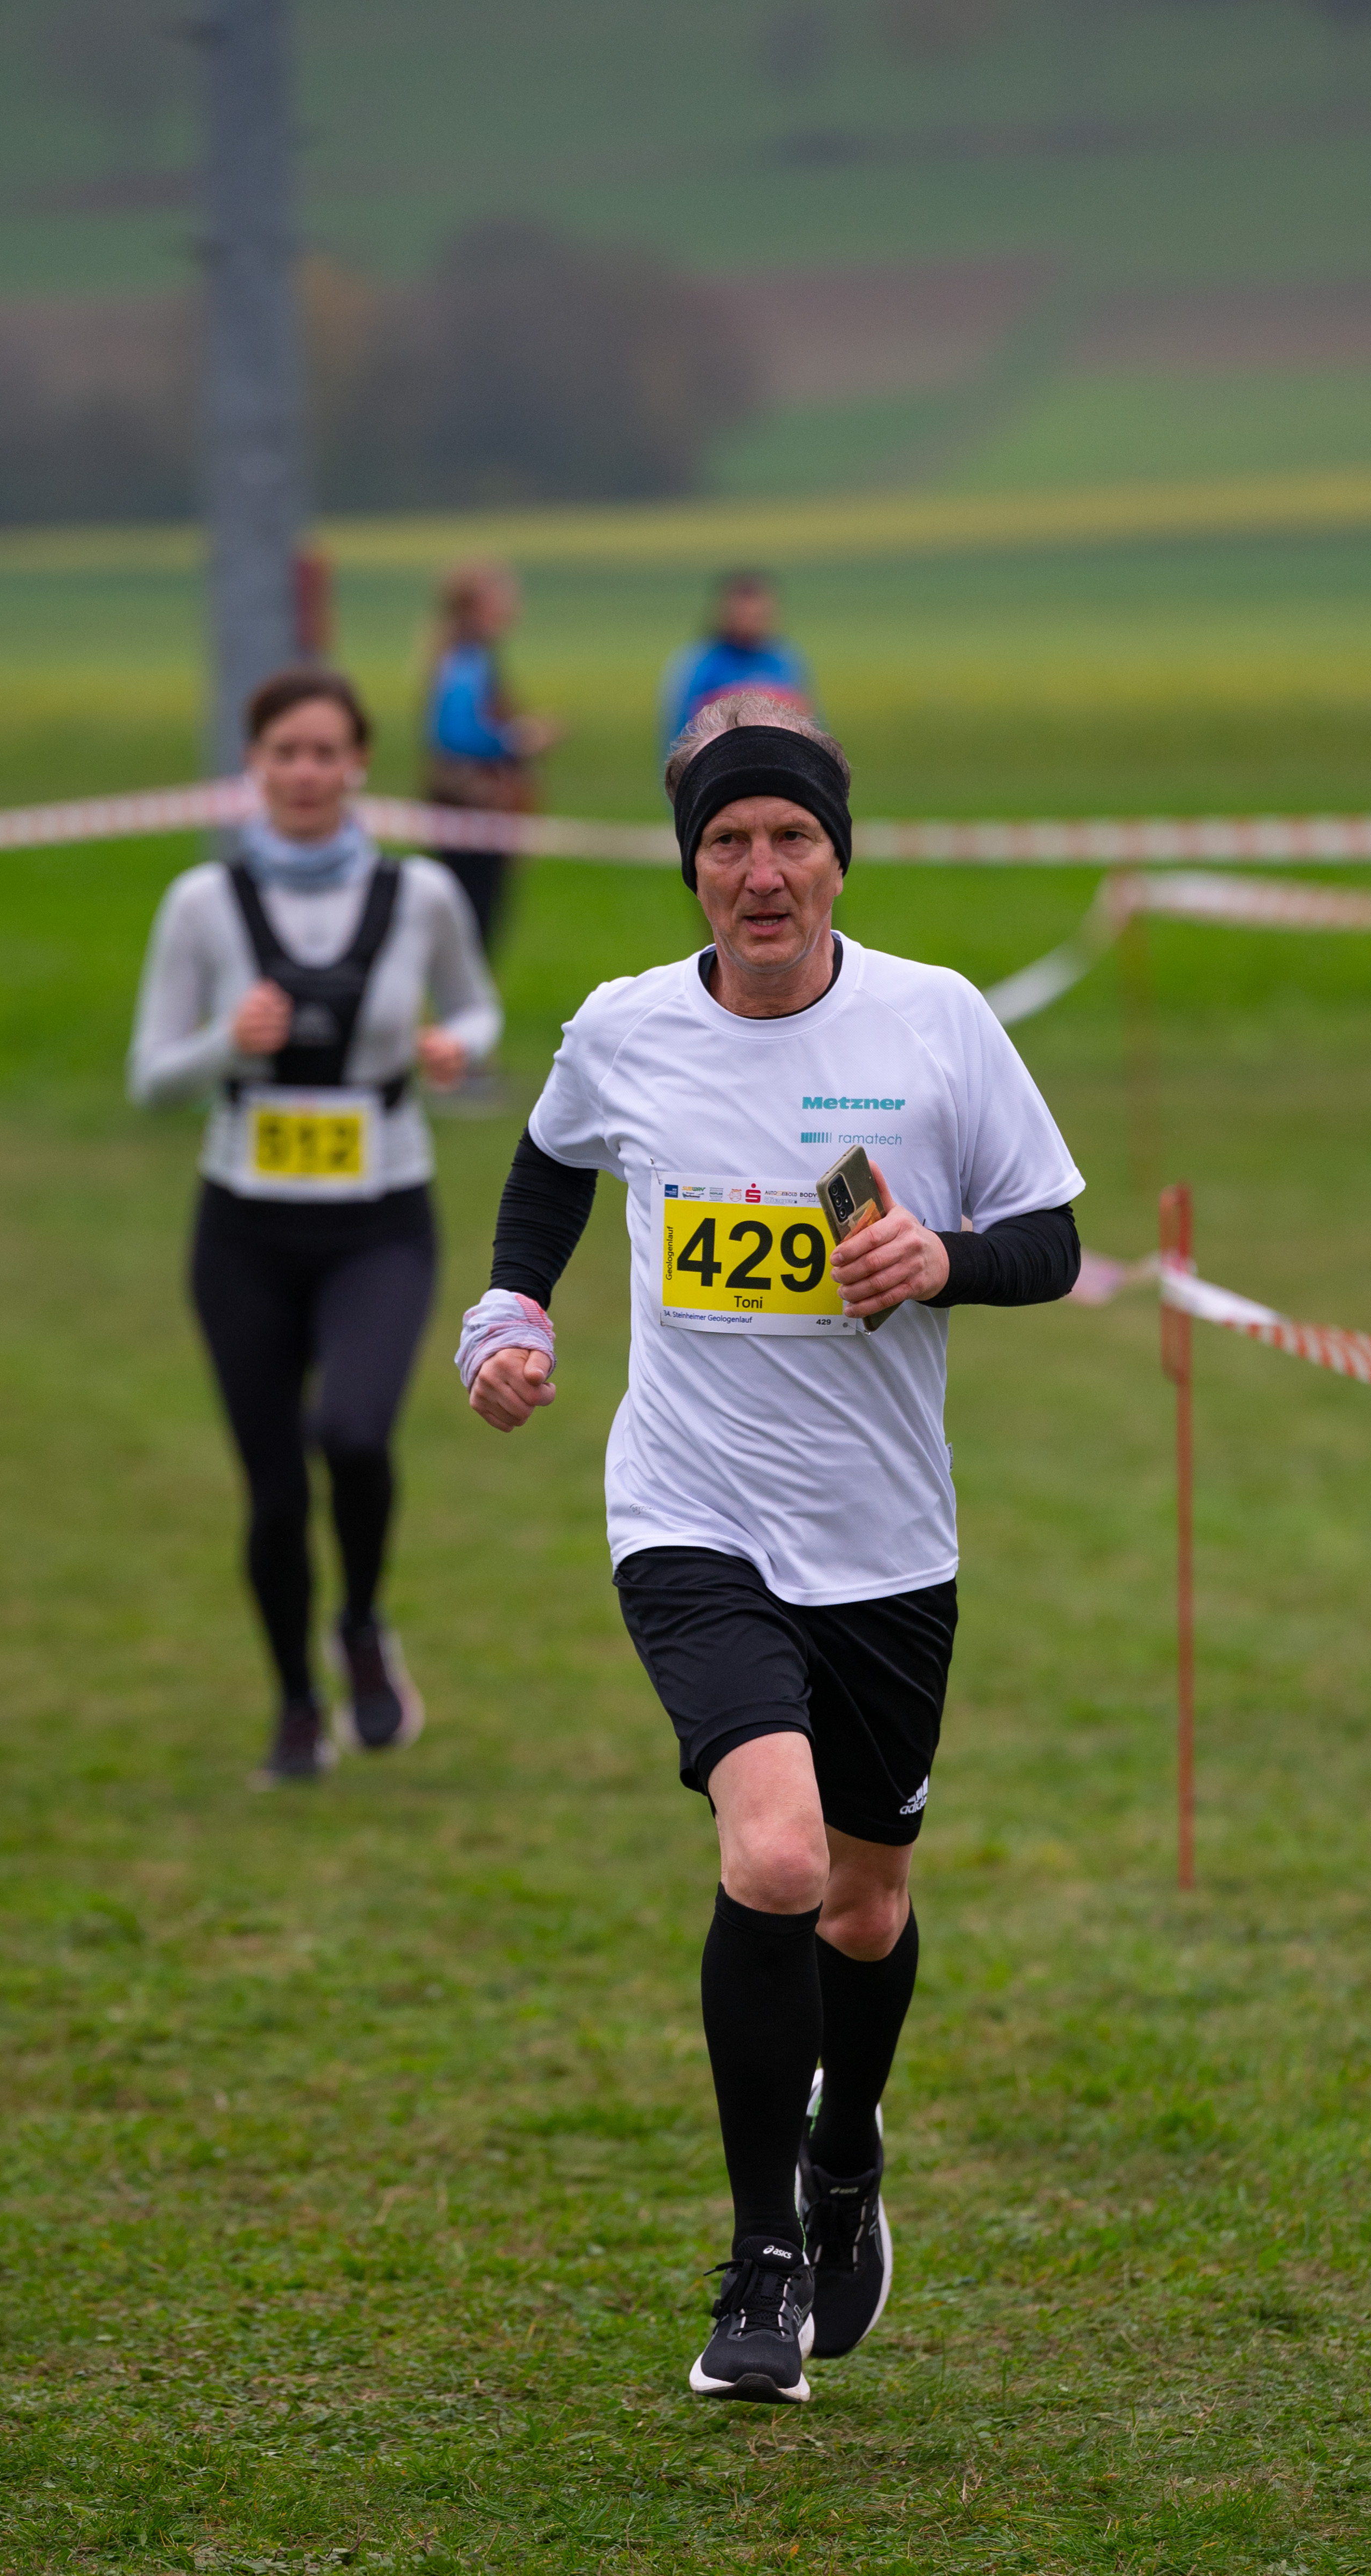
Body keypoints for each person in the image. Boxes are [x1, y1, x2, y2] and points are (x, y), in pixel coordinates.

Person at [457, 694, 1081, 2403]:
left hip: (882, 1541)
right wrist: (507, 1309)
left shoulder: (933, 1022)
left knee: (865, 1908)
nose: (758, 871)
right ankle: (759, 2264)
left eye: (788, 838)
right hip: (688, 1513)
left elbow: (1048, 1235)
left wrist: (940, 1260)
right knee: (779, 1856)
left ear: (833, 859)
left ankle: (844, 2147)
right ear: (690, 869)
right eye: (726, 841)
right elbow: (548, 1164)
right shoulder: (623, 1028)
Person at [129, 663, 501, 1787]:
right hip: (242, 1230)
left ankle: (362, 1622)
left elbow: (477, 1004)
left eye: (325, 752)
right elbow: (150, 1079)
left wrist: (456, 1046)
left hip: (379, 1218)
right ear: (252, 766)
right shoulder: (203, 904)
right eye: (283, 752)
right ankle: (296, 1702)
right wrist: (224, 1044)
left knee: (352, 1432)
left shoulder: (418, 893)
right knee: (274, 1490)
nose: (304, 772)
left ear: (358, 765)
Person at [422, 561, 560, 957]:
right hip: (474, 809)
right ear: (478, 603)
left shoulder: (461, 654)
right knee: (474, 928)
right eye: (503, 593)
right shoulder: (469, 659)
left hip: (465, 807)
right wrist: (520, 738)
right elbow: (457, 734)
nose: (513, 603)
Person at [659, 570, 816, 755]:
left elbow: (811, 727)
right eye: (742, 615)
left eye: (757, 616)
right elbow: (679, 735)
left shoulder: (786, 660)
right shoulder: (698, 664)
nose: (749, 622)